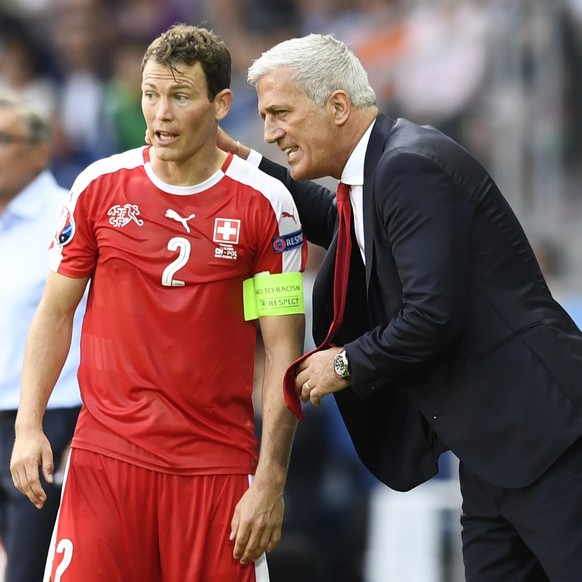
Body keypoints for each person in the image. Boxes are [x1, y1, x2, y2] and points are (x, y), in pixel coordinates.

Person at [220, 33, 582, 581]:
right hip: (494, 449)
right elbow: (336, 220)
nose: (270, 132)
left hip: (547, 437)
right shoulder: (382, 169)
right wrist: (241, 161)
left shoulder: (410, 166)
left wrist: (342, 363)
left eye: (280, 114)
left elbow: (432, 314)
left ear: (337, 106)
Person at [10, 24, 306, 582]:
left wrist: (269, 483)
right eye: (150, 95)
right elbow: (55, 312)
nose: (161, 114)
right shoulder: (99, 187)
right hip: (107, 460)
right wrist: (31, 427)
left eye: (180, 96)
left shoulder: (266, 205)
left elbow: (283, 352)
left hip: (217, 469)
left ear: (221, 104)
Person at [0, 92, 84, 582]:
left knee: (32, 568)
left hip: (50, 419)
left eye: (3, 140)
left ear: (39, 149)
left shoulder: (69, 213)